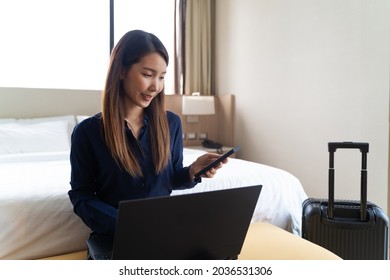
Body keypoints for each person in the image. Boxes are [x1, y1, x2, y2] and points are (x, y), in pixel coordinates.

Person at [68, 30, 227, 237]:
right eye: (148, 75)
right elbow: (82, 196)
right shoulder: (87, 133)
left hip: (164, 233)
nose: (156, 87)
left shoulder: (171, 123)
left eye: (161, 77)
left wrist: (193, 171)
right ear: (121, 70)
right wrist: (126, 225)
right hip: (118, 236)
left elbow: (168, 180)